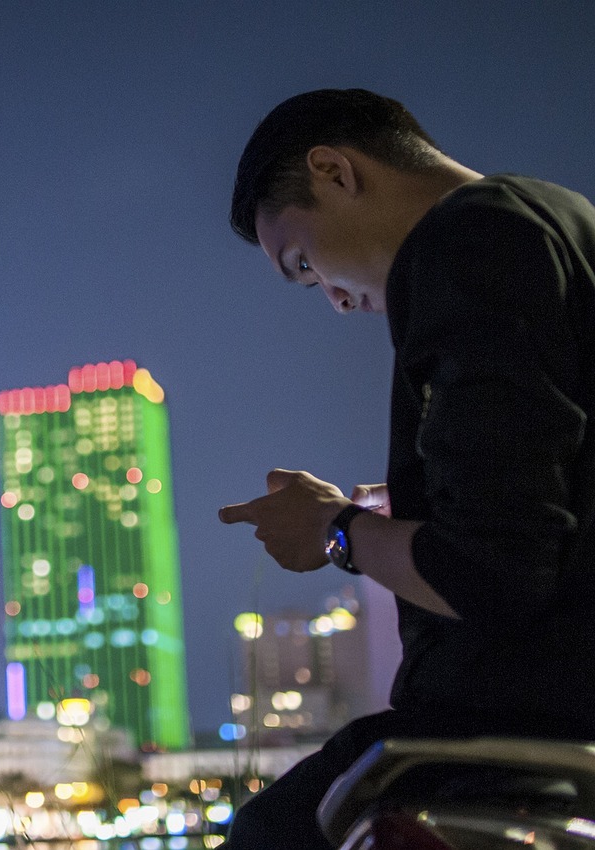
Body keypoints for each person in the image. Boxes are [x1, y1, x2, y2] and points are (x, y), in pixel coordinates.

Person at [218, 88, 595, 848]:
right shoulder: (564, 218)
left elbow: (493, 573)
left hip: (515, 729)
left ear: (334, 171)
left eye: (303, 263)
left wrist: (333, 531)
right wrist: (405, 508)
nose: (334, 300)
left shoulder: (470, 240)